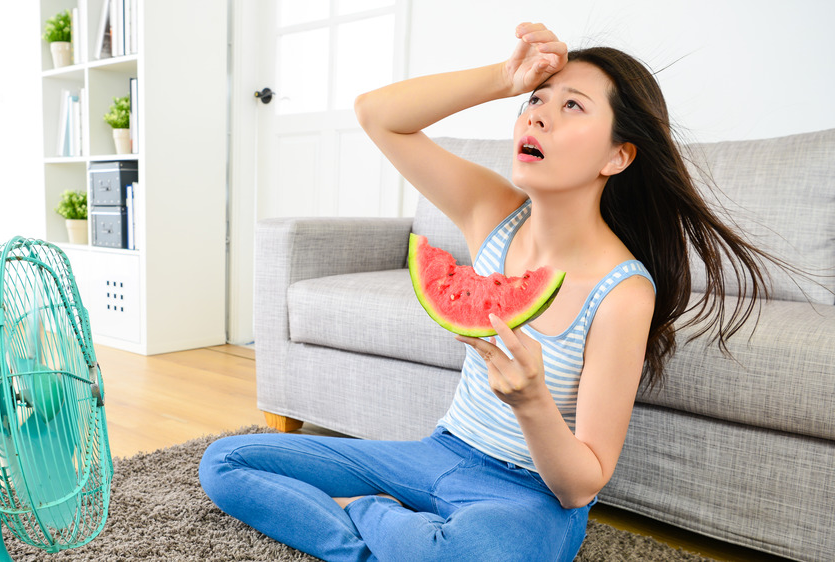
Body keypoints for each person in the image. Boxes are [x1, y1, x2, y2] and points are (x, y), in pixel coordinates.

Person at [200, 22, 779, 561]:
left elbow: (583, 482)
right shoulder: (493, 213)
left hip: (529, 499)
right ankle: (394, 539)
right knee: (226, 461)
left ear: (617, 155)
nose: (538, 117)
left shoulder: (623, 292)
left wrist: (531, 403)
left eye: (571, 105)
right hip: (438, 453)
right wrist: (505, 79)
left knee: (478, 552)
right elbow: (377, 114)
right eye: (536, 101)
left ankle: (370, 519)